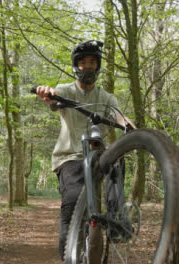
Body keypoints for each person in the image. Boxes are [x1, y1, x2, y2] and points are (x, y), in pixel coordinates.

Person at [34, 40, 130, 260]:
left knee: (117, 161)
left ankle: (116, 220)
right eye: (84, 62)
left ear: (98, 67)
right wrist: (47, 94)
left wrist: (135, 130)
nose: (88, 66)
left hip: (98, 155)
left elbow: (119, 116)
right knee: (73, 200)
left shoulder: (106, 97)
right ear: (77, 66)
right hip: (70, 157)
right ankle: (68, 255)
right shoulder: (66, 90)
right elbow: (52, 98)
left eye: (92, 62)